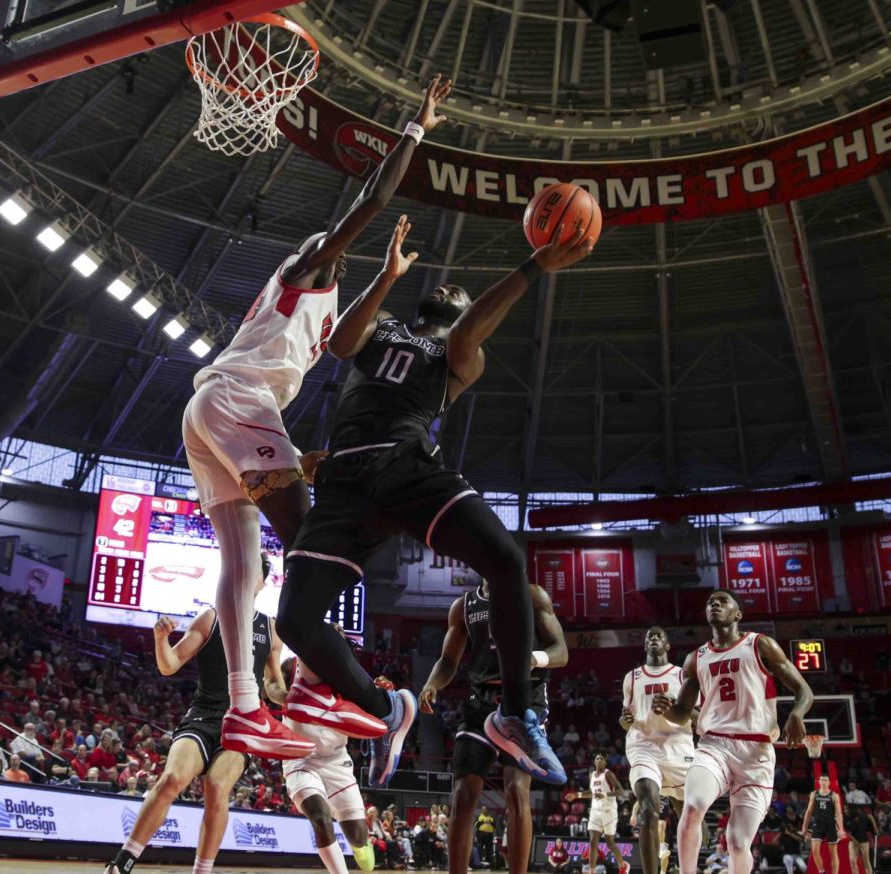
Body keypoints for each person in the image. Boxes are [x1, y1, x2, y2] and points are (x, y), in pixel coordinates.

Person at [180, 73, 453, 761]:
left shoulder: (323, 308)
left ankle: (244, 708)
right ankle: (313, 685)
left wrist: (387, 278)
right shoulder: (309, 266)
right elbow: (373, 197)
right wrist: (415, 129)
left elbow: (288, 361)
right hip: (237, 401)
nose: (340, 245)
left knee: (245, 564)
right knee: (319, 542)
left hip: (215, 409)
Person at [278, 200, 594, 789]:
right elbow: (342, 343)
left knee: (507, 560)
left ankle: (516, 714)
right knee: (295, 620)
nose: (450, 286)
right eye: (447, 287)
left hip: (407, 467)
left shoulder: (462, 354)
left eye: (462, 293)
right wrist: (387, 277)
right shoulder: (387, 325)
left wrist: (534, 266)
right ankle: (384, 709)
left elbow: (471, 328)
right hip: (344, 477)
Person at [104, 559, 286, 874]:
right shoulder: (211, 618)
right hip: (203, 716)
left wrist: (289, 698)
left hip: (242, 724)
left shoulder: (269, 629)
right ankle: (122, 864)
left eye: (251, 574)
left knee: (217, 786)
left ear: (261, 583)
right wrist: (161, 641)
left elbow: (273, 685)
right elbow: (169, 665)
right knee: (171, 779)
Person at [655, 590, 814, 874]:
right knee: (693, 807)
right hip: (714, 745)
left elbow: (804, 690)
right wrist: (667, 709)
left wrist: (796, 714)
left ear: (738, 614)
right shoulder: (696, 659)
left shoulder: (760, 645)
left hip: (756, 753)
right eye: (710, 602)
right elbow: (681, 713)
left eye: (722, 601)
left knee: (738, 842)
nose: (714, 604)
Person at [419, 577, 568, 874]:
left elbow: (560, 651)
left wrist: (534, 658)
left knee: (516, 789)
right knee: (463, 793)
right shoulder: (463, 606)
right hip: (480, 701)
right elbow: (448, 661)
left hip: (524, 698)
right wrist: (431, 684)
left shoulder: (532, 595)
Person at [277, 658, 375, 874]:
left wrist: (383, 692)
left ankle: (361, 845)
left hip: (336, 761)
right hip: (301, 758)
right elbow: (271, 688)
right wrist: (286, 698)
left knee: (358, 838)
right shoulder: (291, 667)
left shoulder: (350, 675)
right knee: (320, 817)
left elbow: (373, 706)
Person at [621, 627, 696, 874]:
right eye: (648, 637)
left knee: (692, 821)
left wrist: (675, 707)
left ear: (667, 646)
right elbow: (625, 722)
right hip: (643, 746)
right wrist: (626, 719)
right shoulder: (631, 678)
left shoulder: (682, 674)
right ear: (645, 646)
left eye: (658, 636)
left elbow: (700, 716)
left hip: (678, 749)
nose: (653, 638)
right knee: (647, 808)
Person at [571, 754, 630, 874]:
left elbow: (620, 791)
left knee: (609, 842)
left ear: (605, 762)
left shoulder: (608, 774)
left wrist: (605, 794)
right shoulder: (591, 775)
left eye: (601, 758)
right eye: (597, 758)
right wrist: (577, 795)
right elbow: (591, 792)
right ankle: (591, 871)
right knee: (593, 842)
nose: (599, 760)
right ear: (594, 762)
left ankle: (622, 865)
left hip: (609, 811)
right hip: (595, 811)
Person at [802, 776, 844, 874]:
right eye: (822, 780)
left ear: (829, 782)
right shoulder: (814, 794)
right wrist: (804, 827)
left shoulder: (834, 795)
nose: (823, 782)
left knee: (833, 853)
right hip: (817, 824)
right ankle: (822, 871)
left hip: (830, 825)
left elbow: (838, 813)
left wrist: (841, 829)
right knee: (815, 851)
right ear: (818, 781)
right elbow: (809, 811)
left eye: (825, 780)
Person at [846, 801, 879, 874]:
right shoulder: (846, 819)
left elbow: (870, 816)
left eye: (846, 809)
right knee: (852, 861)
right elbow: (848, 833)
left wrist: (875, 827)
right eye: (844, 809)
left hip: (864, 841)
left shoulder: (861, 815)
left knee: (865, 861)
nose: (845, 811)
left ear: (851, 810)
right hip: (853, 842)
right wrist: (856, 842)